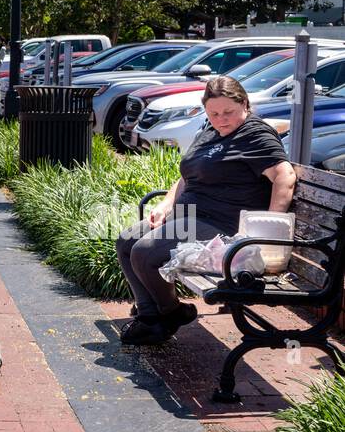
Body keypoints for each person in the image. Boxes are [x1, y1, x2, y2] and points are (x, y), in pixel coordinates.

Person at [116, 75, 296, 346]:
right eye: (214, 113)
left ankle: (171, 313)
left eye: (228, 112)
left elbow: (285, 175)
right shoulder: (210, 131)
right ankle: (150, 316)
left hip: (221, 224)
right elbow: (187, 175)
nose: (221, 119)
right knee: (126, 241)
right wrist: (166, 204)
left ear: (245, 104)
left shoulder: (254, 135)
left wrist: (267, 232)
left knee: (145, 251)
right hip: (189, 216)